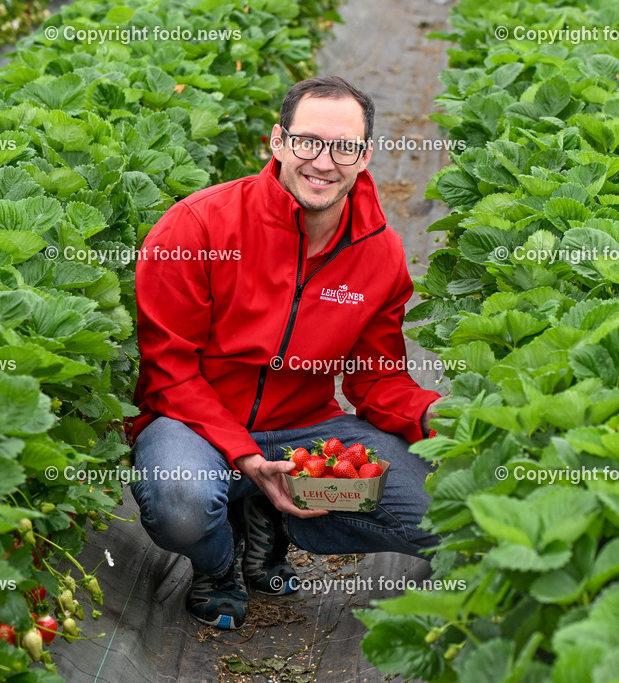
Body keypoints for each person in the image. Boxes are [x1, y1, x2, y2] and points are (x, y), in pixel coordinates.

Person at [129, 75, 444, 630]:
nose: (324, 161)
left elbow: (376, 380)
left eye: (344, 146)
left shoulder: (380, 254)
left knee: (448, 517)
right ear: (277, 143)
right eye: (308, 142)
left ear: (365, 156)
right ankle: (219, 564)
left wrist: (434, 416)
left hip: (305, 429)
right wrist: (244, 455)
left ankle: (272, 517)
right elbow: (168, 373)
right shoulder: (197, 227)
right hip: (193, 425)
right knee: (181, 499)